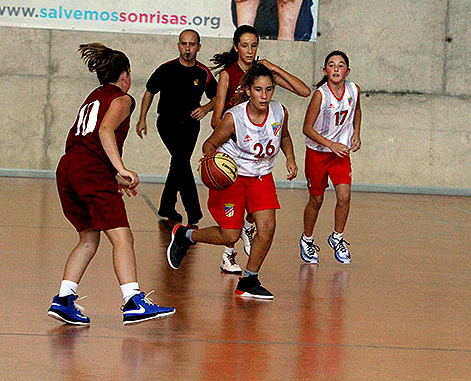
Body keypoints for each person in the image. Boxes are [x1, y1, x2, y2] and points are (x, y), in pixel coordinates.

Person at [48, 43, 175, 326]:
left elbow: (88, 139)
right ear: (125, 75)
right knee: (122, 238)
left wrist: (112, 174)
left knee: (89, 238)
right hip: (90, 169)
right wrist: (121, 168)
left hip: (69, 167)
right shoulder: (122, 99)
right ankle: (133, 301)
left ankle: (64, 299)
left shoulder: (94, 96)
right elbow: (104, 131)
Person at [167, 63, 298, 299]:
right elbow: (210, 143)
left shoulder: (280, 112)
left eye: (269, 89)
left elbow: (285, 136)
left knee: (267, 227)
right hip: (233, 178)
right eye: (259, 90)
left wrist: (290, 158)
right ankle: (185, 236)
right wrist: (212, 159)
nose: (264, 95)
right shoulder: (234, 118)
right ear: (248, 90)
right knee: (230, 236)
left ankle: (249, 279)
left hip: (261, 176)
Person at [210, 24, 309, 274]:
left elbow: (304, 91)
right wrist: (233, 128)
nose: (250, 50)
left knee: (257, 213)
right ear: (236, 47)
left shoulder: (263, 76)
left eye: (254, 45)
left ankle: (246, 229)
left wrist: (273, 67)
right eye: (244, 45)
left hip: (259, 155)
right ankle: (228, 256)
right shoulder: (228, 75)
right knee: (231, 225)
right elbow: (216, 118)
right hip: (233, 152)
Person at [135, 29, 217, 226]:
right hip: (167, 123)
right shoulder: (166, 69)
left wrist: (205, 108)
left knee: (179, 164)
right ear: (179, 45)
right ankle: (193, 210)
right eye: (183, 44)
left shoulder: (203, 72)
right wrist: (142, 118)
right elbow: (149, 93)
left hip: (190, 124)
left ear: (198, 46)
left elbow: (217, 98)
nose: (187, 48)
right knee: (181, 161)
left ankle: (167, 206)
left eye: (191, 44)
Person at [299, 50, 362, 265]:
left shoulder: (354, 90)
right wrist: (330, 144)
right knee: (316, 200)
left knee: (344, 196)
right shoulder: (320, 95)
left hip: (340, 153)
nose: (336, 68)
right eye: (332, 65)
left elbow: (357, 111)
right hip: (318, 153)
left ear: (347, 70)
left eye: (341, 65)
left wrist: (357, 133)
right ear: (325, 70)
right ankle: (307, 239)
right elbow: (306, 128)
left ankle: (337, 237)